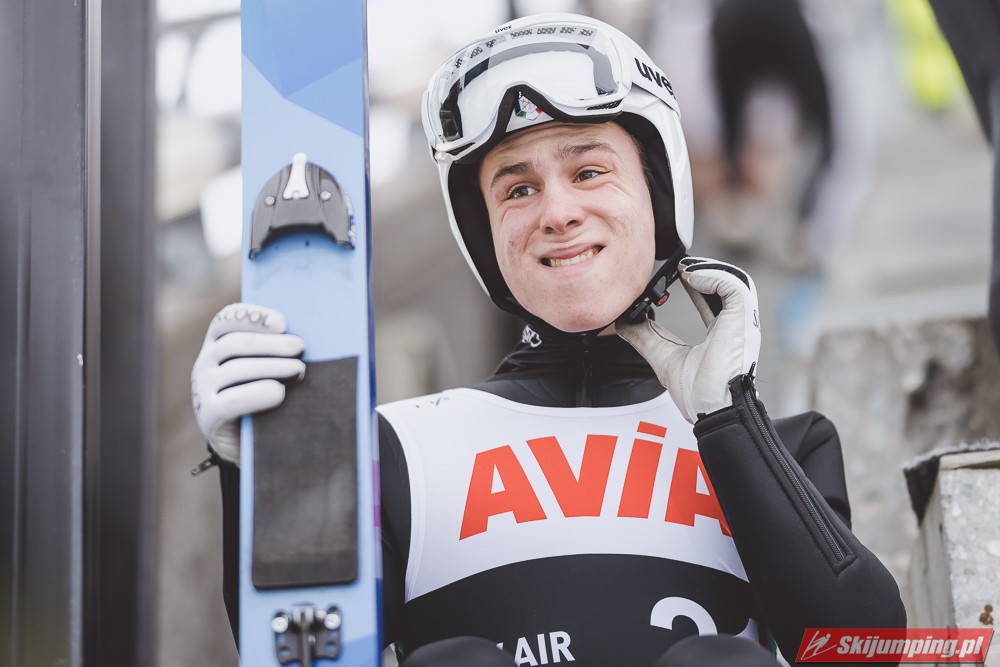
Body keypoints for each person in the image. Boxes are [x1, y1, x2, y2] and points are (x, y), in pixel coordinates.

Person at [190, 12, 905, 666]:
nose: (557, 212)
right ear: (486, 236)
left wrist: (729, 419)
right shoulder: (391, 452)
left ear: (658, 197)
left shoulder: (783, 448)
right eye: (517, 189)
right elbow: (299, 651)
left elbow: (863, 652)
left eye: (588, 171)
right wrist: (265, 472)